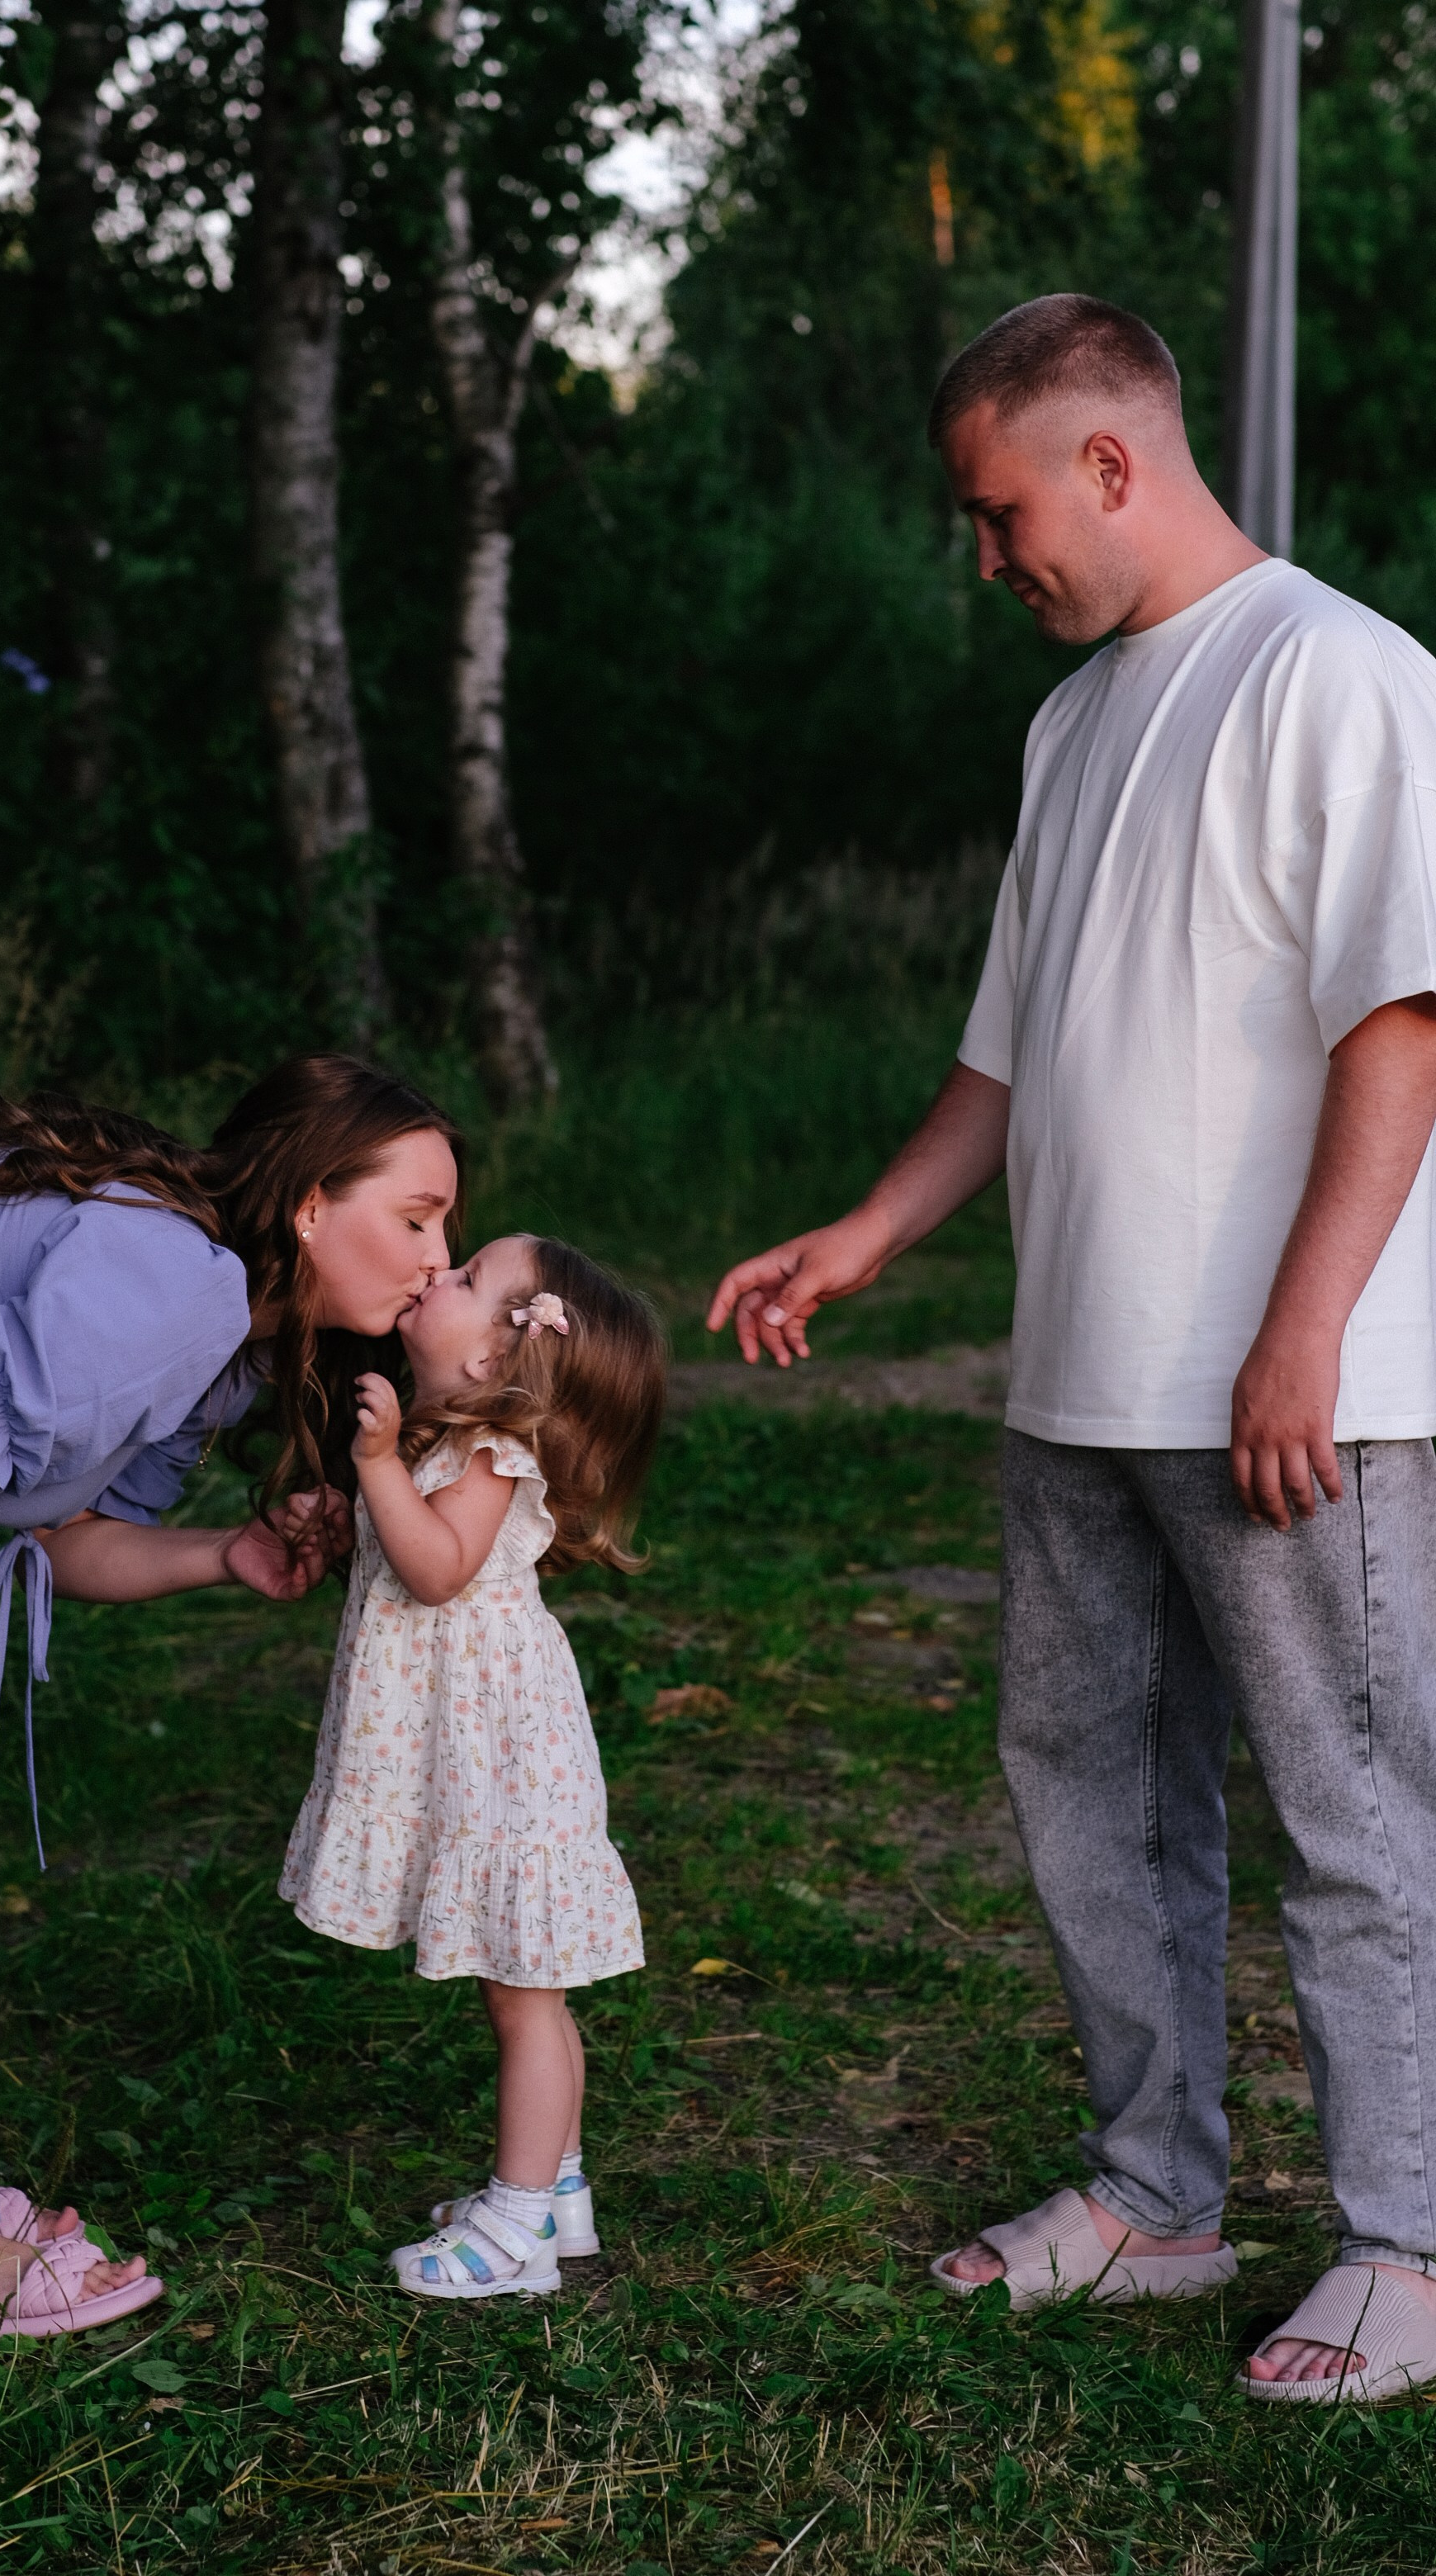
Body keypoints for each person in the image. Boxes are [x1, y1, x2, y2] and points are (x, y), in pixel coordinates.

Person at [709, 295, 1436, 2404]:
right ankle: (1155, 2196)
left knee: (1349, 1812)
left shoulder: (1337, 674)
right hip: (1077, 1381)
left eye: (996, 511)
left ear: (1107, 462)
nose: (984, 556)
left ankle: (1404, 2240)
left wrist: (1299, 1334)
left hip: (1294, 1394)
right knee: (1090, 1799)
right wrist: (865, 1232)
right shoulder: (1067, 726)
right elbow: (1007, 1054)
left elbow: (1399, 1029)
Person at [0, 1054, 463, 2341]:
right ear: (308, 1206)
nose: (437, 1263)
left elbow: (60, 1539)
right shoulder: (179, 1283)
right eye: (416, 1218)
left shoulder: (220, 1340)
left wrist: (226, 1554)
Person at [279, 1234, 664, 2299]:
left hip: (503, 1759)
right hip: (476, 1751)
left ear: (497, 1357)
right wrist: (354, 1509)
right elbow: (411, 1546)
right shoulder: (449, 1444)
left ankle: (514, 2229)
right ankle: (561, 2196)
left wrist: (372, 1467)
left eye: (465, 1279)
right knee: (529, 1990)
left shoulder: (493, 1452)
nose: (436, 1272)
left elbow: (440, 1570)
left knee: (523, 1998)